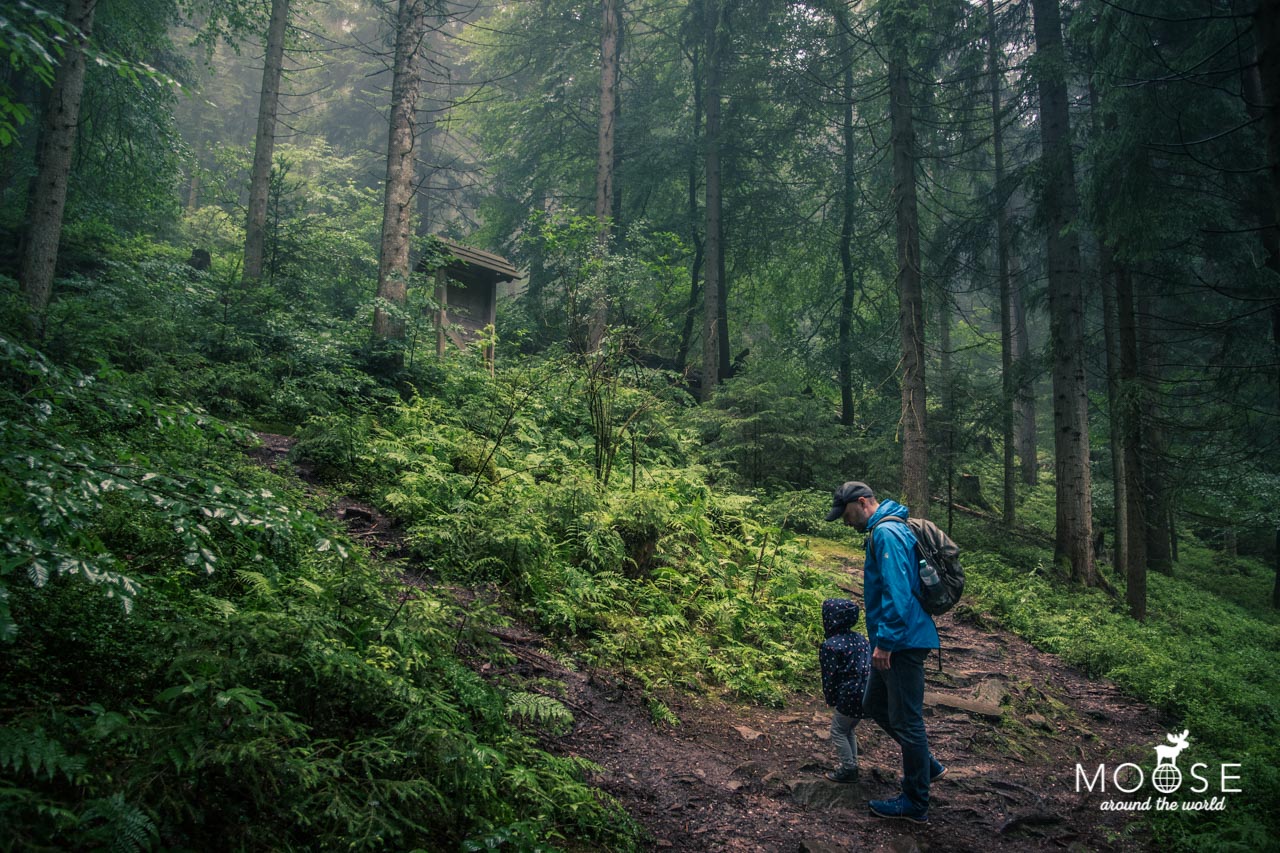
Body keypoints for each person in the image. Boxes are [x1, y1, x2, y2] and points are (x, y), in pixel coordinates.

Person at [825, 480, 946, 824]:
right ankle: (926, 764)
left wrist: (886, 643)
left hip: (902, 643)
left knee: (908, 722)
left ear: (862, 503)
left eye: (847, 514)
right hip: (896, 639)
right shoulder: (885, 530)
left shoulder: (886, 533)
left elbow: (898, 593)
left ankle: (915, 802)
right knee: (873, 705)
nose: (846, 522)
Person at [818, 598, 871, 783]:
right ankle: (852, 764)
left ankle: (848, 768)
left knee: (838, 731)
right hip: (868, 691)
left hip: (849, 693)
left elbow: (830, 675)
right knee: (848, 729)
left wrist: (830, 698)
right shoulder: (860, 639)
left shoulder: (831, 645)